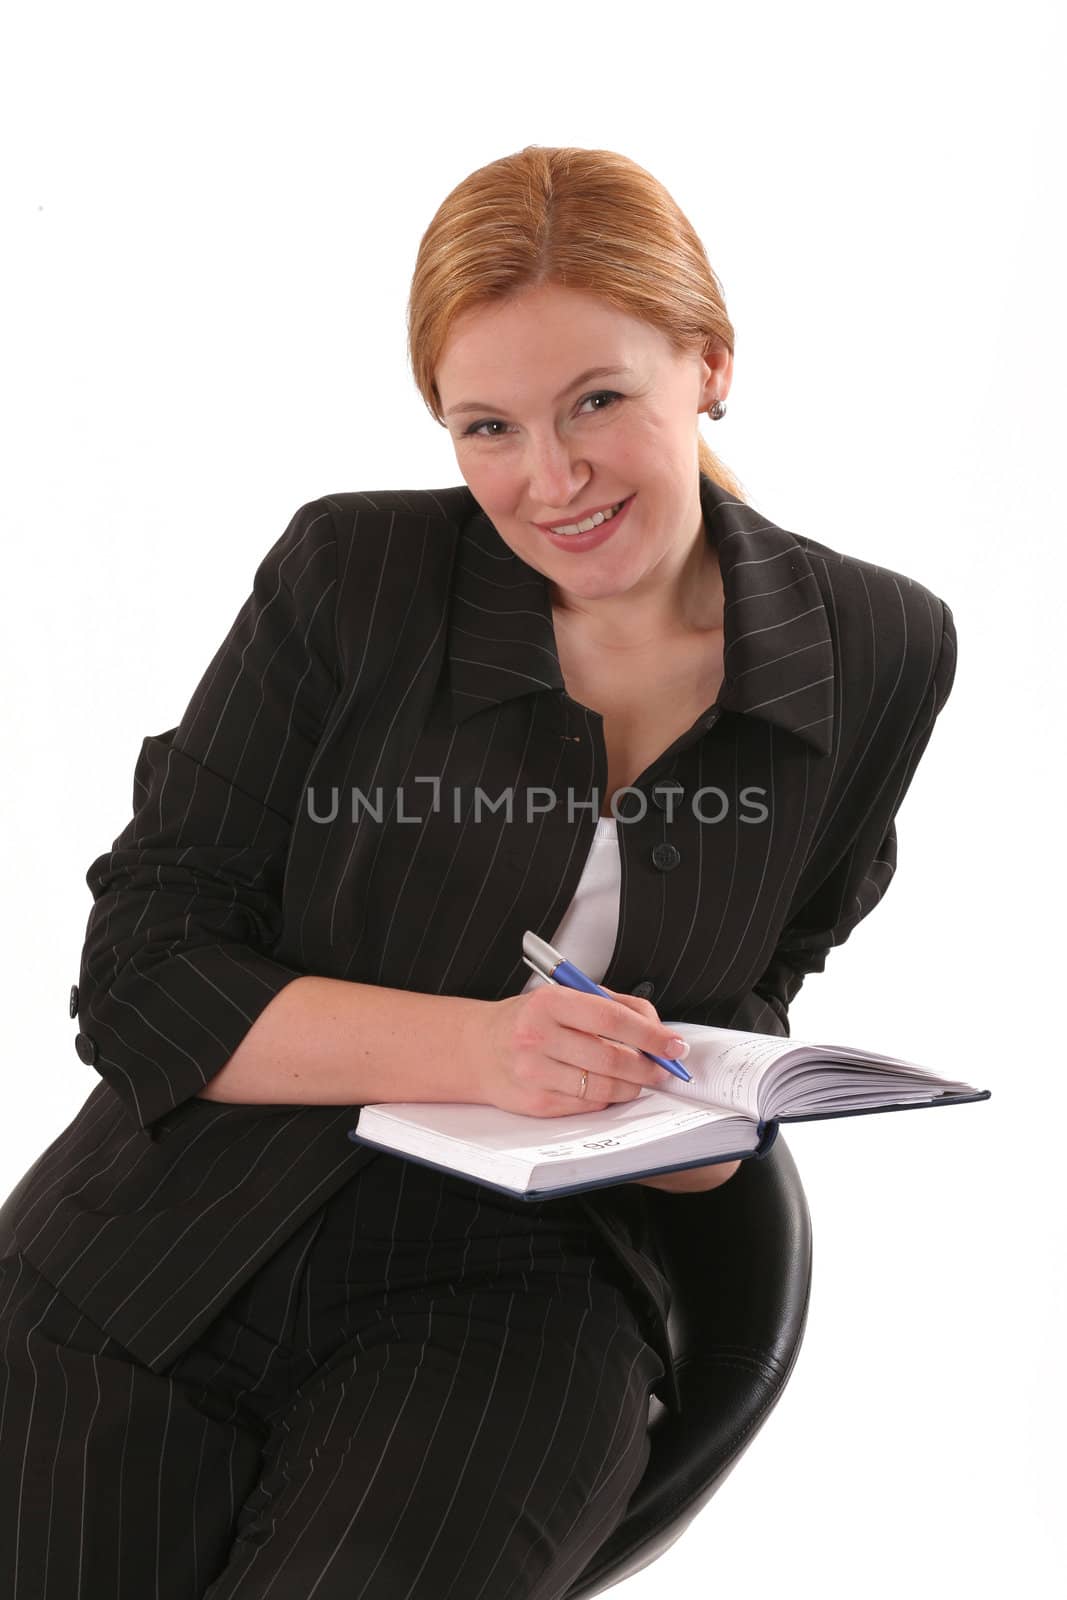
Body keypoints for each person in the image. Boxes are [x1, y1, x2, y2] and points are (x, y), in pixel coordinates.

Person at [0, 144, 957, 1599]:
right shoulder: (351, 576)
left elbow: (762, 973)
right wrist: (487, 1048)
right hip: (160, 1239)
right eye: (487, 427)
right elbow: (142, 977)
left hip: (519, 1291)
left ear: (708, 366)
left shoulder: (880, 650)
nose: (549, 479)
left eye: (597, 403)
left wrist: (709, 1118)